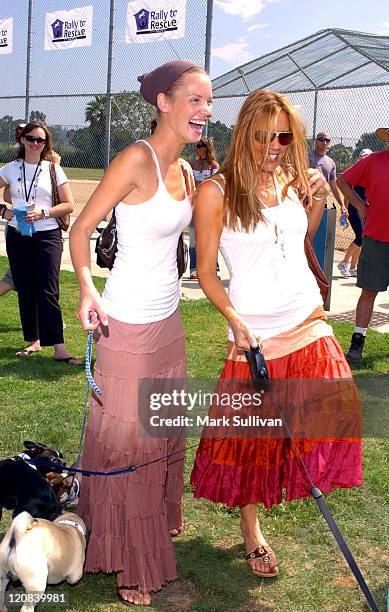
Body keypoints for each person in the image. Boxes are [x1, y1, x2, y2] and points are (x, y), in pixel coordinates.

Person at [190, 90, 362, 579]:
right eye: (265, 135)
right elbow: (205, 272)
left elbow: (298, 238)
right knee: (251, 443)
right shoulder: (217, 191)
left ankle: (294, 475)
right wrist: (235, 320)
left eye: (284, 136)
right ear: (246, 132)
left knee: (338, 400)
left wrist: (317, 201)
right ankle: (251, 529)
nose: (275, 145)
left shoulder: (291, 177)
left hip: (307, 316)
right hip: (255, 335)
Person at [69, 60, 212, 607]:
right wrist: (87, 289)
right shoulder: (136, 158)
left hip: (168, 324)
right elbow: (82, 230)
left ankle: (154, 523)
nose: (204, 111)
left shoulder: (188, 173)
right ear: (165, 103)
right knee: (130, 442)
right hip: (124, 323)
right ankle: (130, 557)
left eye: (208, 101)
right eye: (195, 100)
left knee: (162, 432)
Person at [0, 121, 79, 362]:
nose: (36, 143)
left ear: (46, 144)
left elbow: (69, 205)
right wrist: (5, 212)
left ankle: (59, 347)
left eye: (41, 140)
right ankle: (33, 341)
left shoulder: (52, 169)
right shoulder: (11, 169)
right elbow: (5, 197)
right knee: (24, 288)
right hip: (17, 233)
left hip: (47, 234)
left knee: (48, 289)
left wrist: (44, 213)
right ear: (22, 139)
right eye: (31, 138)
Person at [337, 127, 389, 363]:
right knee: (369, 291)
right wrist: (359, 205)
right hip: (377, 238)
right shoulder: (373, 161)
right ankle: (358, 341)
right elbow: (342, 180)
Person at [337, 149, 372, 278]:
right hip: (354, 209)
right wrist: (345, 211)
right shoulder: (356, 172)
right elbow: (347, 193)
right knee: (361, 237)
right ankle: (344, 263)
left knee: (362, 239)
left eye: (368, 157)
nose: (365, 160)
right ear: (359, 159)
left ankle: (353, 267)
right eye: (363, 157)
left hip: (364, 209)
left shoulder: (370, 174)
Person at [188, 136, 219, 279]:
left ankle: (213, 269)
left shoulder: (213, 166)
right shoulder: (191, 165)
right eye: (197, 151)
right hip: (194, 206)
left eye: (202, 151)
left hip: (209, 207)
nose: (199, 154)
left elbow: (213, 185)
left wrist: (200, 183)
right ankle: (194, 269)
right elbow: (190, 184)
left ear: (208, 150)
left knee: (210, 238)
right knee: (194, 240)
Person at [308, 131, 347, 217]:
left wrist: (342, 205)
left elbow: (333, 186)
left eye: (327, 140)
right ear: (315, 141)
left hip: (321, 203)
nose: (324, 142)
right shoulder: (306, 157)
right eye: (321, 139)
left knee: (319, 228)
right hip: (305, 201)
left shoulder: (331, 162)